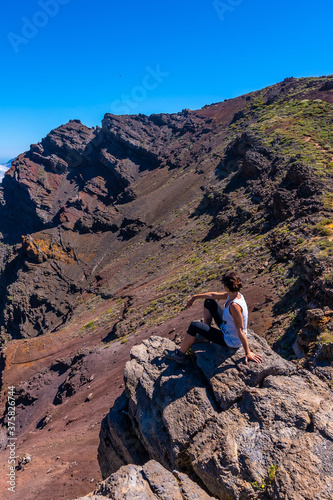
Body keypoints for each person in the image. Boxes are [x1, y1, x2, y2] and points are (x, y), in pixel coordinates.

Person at [164, 271, 262, 364]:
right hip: (228, 329)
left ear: (226, 287)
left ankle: (179, 355)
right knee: (209, 301)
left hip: (231, 340)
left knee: (194, 326)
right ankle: (205, 336)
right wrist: (195, 297)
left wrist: (248, 352)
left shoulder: (234, 306)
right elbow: (213, 295)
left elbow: (240, 330)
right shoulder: (235, 295)